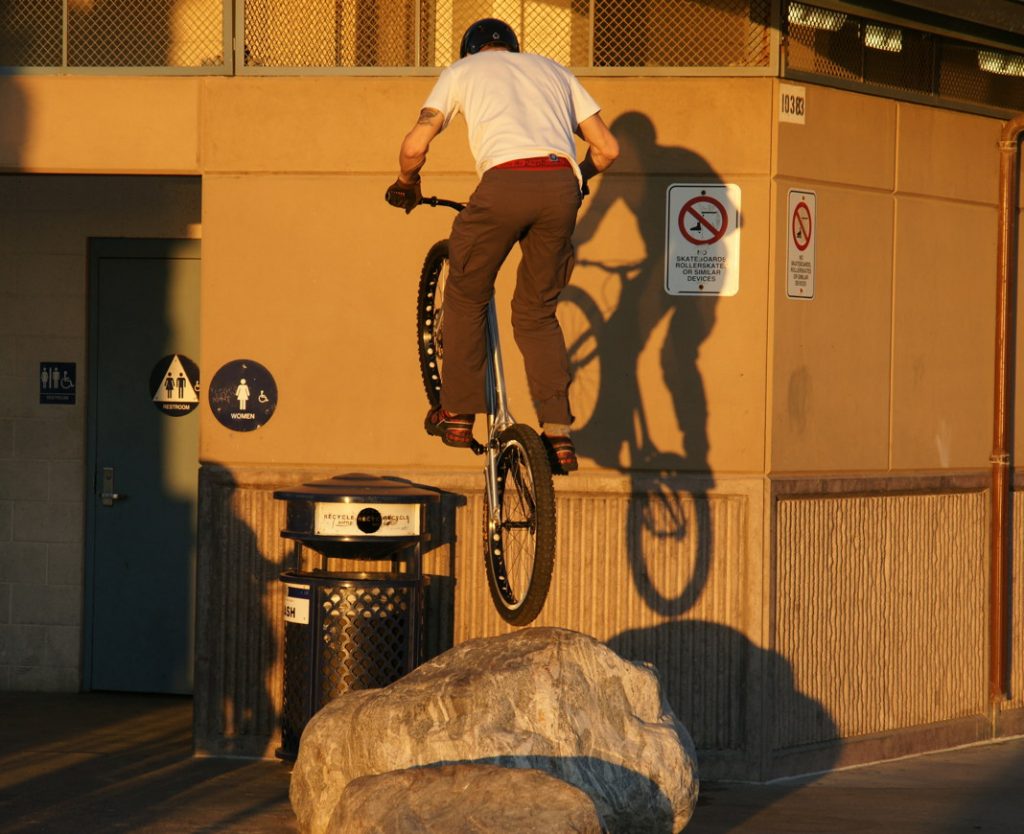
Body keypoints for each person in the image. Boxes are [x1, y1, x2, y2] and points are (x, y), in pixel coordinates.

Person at [385, 17, 619, 473]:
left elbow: (415, 146)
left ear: (470, 50)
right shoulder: (554, 70)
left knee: (466, 294)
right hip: (560, 183)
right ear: (513, 48)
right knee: (536, 313)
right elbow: (607, 149)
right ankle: (558, 433)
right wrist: (575, 181)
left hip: (504, 183)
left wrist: (406, 182)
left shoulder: (461, 72)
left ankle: (458, 413)